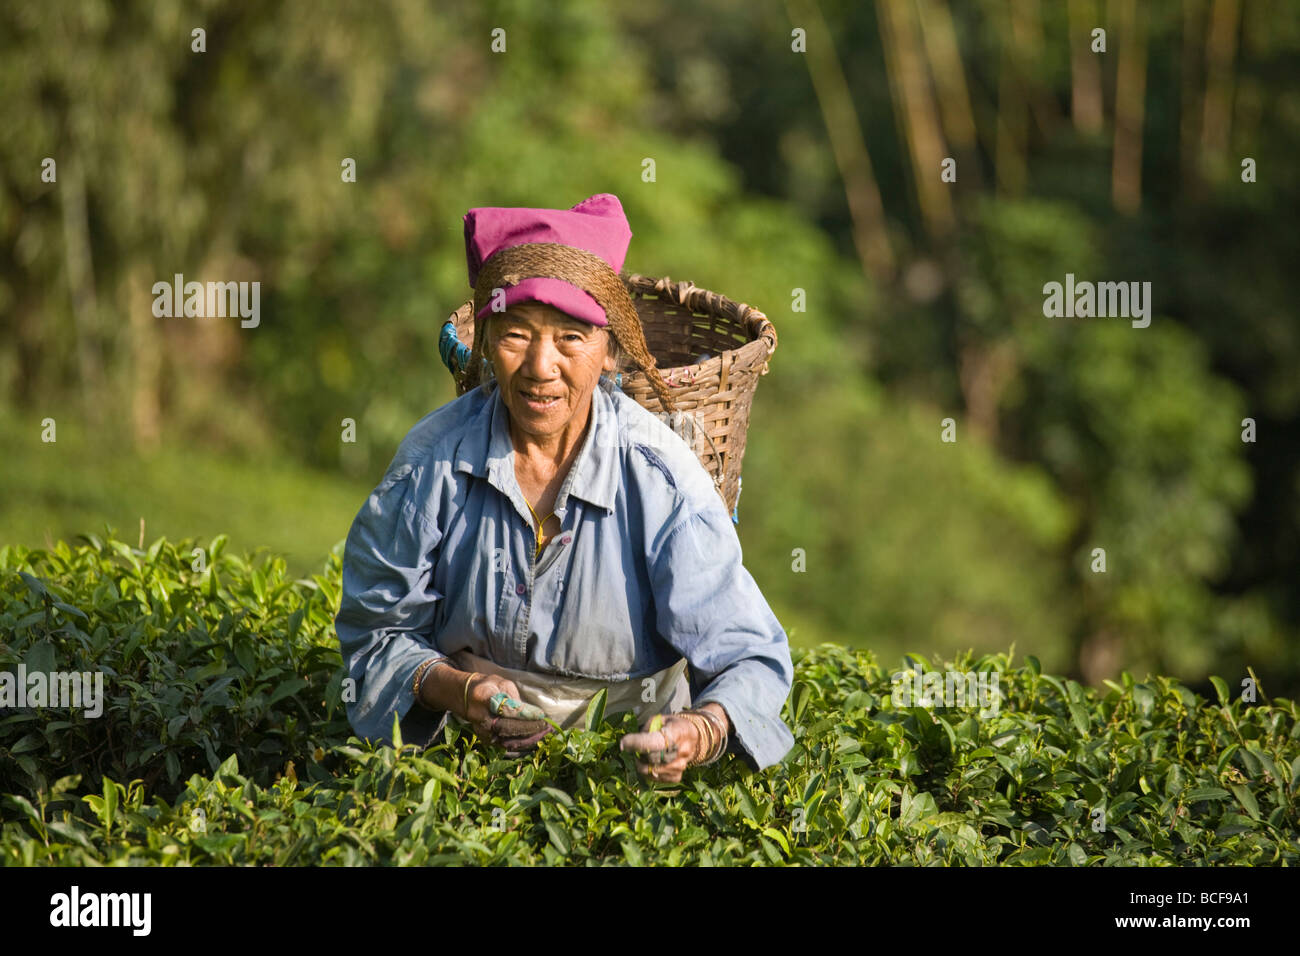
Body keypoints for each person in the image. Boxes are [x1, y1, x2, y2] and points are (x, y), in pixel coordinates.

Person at [334, 192, 793, 782]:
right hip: (463, 762)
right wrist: (458, 691)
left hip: (621, 774)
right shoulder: (432, 463)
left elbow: (749, 657)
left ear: (610, 353)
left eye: (571, 338)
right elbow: (376, 633)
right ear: (486, 342)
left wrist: (695, 733)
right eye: (516, 335)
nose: (540, 367)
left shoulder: (659, 478)